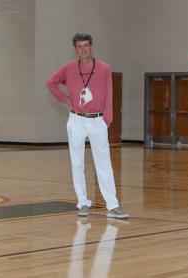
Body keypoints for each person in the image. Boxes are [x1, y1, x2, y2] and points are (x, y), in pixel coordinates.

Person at [46, 32, 128, 219]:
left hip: (97, 120)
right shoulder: (68, 68)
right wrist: (65, 99)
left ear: (91, 46)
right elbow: (50, 83)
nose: (83, 49)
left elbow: (109, 93)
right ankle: (82, 202)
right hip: (76, 120)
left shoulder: (104, 68)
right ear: (75, 49)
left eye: (86, 46)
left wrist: (108, 118)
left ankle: (113, 206)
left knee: (104, 163)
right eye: (79, 47)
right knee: (77, 163)